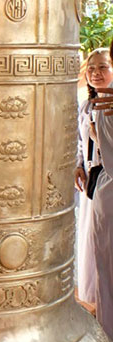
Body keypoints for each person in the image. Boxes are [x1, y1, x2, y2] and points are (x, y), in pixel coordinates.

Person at [76, 48, 113, 310]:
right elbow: (79, 141)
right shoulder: (87, 105)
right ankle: (96, 301)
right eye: (91, 68)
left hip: (107, 180)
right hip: (92, 180)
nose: (96, 73)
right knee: (92, 243)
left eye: (103, 67)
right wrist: (78, 164)